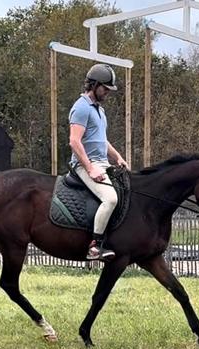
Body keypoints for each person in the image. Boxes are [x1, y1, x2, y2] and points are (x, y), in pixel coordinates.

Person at [69, 63, 128, 261]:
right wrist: (90, 168)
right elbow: (74, 141)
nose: (107, 93)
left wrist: (117, 157)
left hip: (102, 162)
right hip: (86, 164)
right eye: (105, 88)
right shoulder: (81, 108)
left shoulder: (99, 111)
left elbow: (102, 140)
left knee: (127, 190)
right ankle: (94, 246)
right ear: (94, 85)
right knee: (110, 199)